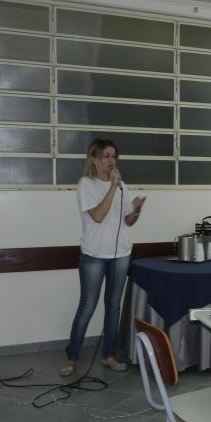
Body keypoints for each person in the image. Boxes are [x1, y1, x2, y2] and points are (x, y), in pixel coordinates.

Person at [60, 139, 146, 377]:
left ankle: (108, 355)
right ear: (94, 159)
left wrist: (136, 210)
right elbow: (98, 216)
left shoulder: (122, 186)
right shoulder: (86, 184)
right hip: (94, 256)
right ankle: (71, 356)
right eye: (106, 156)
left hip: (121, 254)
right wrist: (112, 187)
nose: (111, 161)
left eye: (114, 156)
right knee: (87, 306)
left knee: (113, 307)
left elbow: (128, 221)